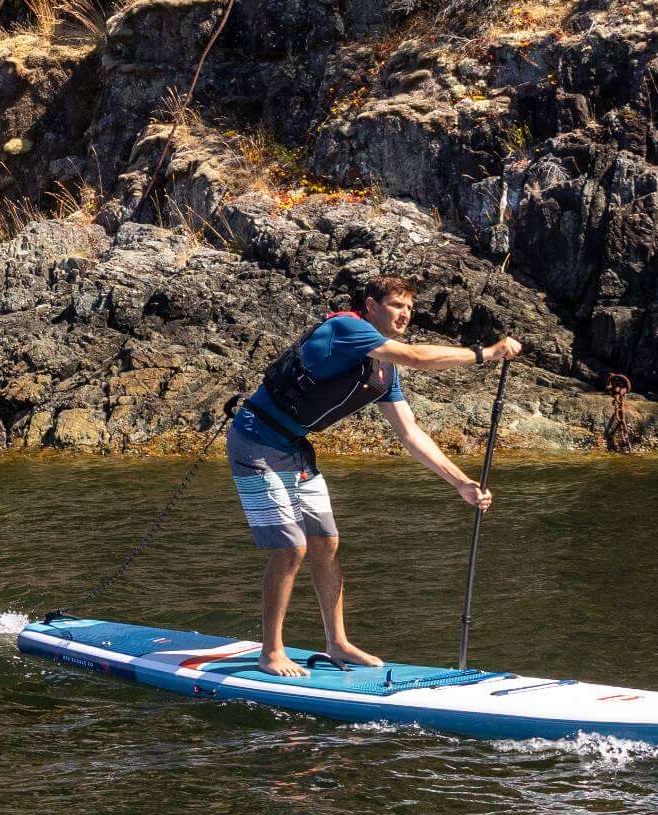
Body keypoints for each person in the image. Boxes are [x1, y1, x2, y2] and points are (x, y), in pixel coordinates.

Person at [191, 274, 515, 676]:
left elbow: (411, 434)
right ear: (371, 305)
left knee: (326, 542)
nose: (405, 315)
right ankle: (271, 651)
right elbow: (417, 356)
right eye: (397, 305)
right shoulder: (345, 328)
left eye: (410, 309)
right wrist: (487, 353)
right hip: (254, 441)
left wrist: (461, 483)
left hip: (293, 449)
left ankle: (338, 643)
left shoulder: (384, 374)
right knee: (292, 547)